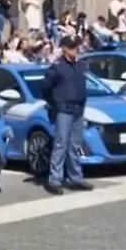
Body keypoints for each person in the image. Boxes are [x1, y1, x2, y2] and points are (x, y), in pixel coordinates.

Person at [41, 35, 92, 194]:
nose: (76, 49)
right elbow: (45, 88)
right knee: (60, 144)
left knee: (75, 145)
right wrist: (54, 104)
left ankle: (75, 177)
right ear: (64, 49)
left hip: (78, 109)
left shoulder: (81, 65)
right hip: (63, 109)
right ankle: (55, 180)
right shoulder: (57, 67)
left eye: (76, 46)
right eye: (72, 47)